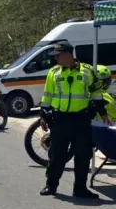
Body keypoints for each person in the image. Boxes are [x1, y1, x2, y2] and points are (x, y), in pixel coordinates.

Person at [39, 41, 108, 199]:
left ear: (68, 54)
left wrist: (103, 113)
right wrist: (43, 115)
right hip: (60, 119)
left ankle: (80, 189)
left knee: (83, 155)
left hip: (81, 119)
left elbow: (97, 93)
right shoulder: (53, 72)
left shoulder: (87, 71)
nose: (56, 58)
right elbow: (47, 95)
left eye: (58, 55)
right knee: (57, 154)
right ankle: (51, 185)